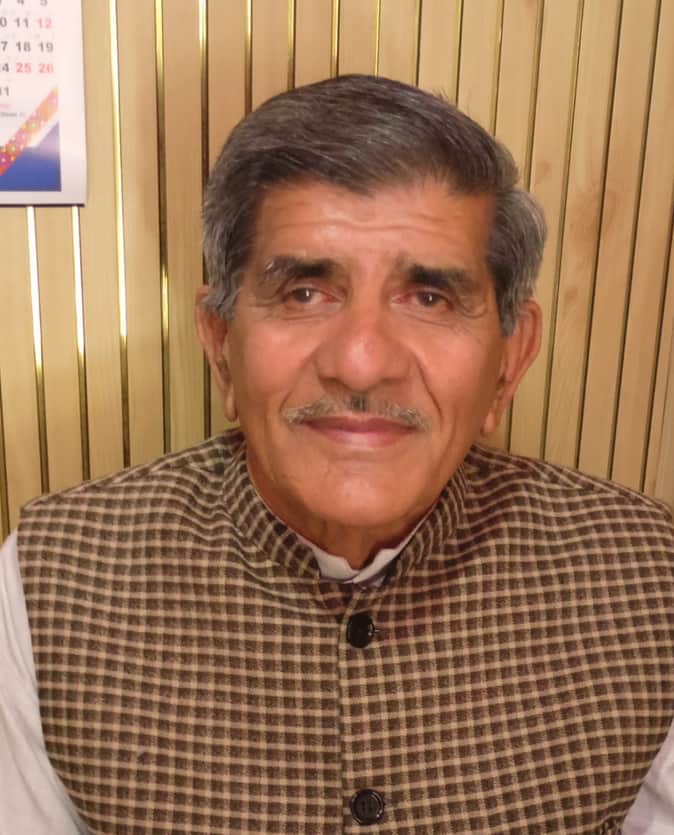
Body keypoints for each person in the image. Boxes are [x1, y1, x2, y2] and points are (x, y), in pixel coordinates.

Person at [1, 74, 673, 834]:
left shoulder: (648, 579)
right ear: (221, 348)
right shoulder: (51, 585)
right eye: (304, 293)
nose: (360, 362)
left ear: (510, 361)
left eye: (430, 297)